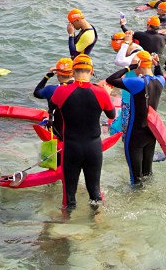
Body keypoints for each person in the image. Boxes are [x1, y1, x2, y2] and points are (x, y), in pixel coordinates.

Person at [49, 55, 116, 210]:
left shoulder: (62, 91)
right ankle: (95, 227)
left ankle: (66, 227)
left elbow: (52, 105)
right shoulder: (100, 92)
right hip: (93, 148)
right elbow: (112, 115)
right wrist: (107, 94)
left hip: (71, 148)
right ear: (91, 71)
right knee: (94, 192)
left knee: (69, 196)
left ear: (73, 71)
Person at [106, 51, 165, 185]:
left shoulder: (137, 83)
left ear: (138, 65)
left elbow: (111, 79)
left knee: (135, 179)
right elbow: (160, 74)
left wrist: (129, 68)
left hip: (135, 135)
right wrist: (158, 65)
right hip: (151, 134)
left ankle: (136, 202)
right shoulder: (160, 81)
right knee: (148, 174)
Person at [34, 58, 75, 146]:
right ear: (74, 73)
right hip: (77, 134)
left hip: (57, 133)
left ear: (57, 74)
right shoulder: (82, 89)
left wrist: (47, 76)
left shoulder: (51, 90)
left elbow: (36, 93)